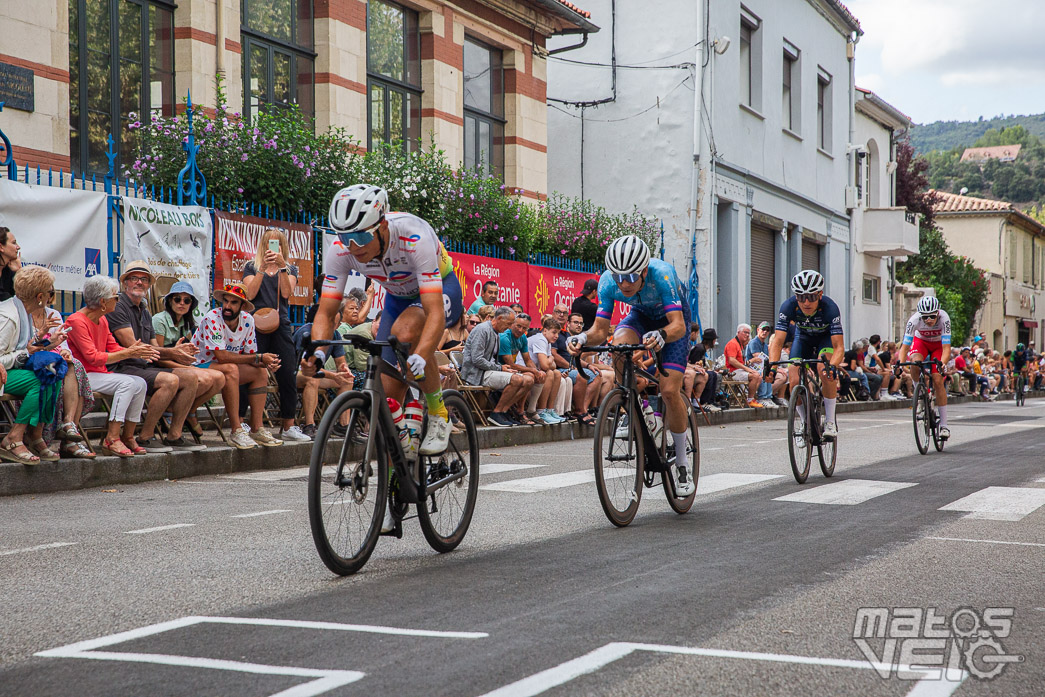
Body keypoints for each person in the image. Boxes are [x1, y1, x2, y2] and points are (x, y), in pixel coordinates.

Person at [309, 184, 463, 464]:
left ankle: (438, 412)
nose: (353, 246)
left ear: (381, 226)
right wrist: (318, 351)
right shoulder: (340, 251)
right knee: (388, 413)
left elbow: (435, 314)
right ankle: (397, 482)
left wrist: (420, 354)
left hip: (439, 291)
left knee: (406, 331)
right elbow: (326, 311)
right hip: (397, 298)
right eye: (345, 236)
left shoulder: (413, 236)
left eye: (360, 236)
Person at [567, 235, 695, 496]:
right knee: (619, 345)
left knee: (670, 391)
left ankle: (682, 464)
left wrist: (662, 334)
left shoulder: (663, 275)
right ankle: (641, 409)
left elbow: (679, 325)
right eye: (618, 277)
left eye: (631, 277)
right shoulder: (607, 282)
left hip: (671, 322)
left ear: (644, 271)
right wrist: (582, 337)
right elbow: (601, 330)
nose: (623, 283)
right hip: (639, 317)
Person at [108, 262, 216, 452]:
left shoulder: (145, 310)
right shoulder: (119, 306)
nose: (139, 283)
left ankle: (174, 435)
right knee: (170, 380)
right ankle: (145, 436)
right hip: (123, 365)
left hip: (143, 365)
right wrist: (173, 352)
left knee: (190, 377)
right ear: (125, 283)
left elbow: (154, 349)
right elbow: (133, 346)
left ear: (149, 285)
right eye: (134, 278)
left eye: (144, 279)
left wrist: (180, 354)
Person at [66, 275, 156, 457]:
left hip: (99, 373)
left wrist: (135, 351)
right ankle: (112, 438)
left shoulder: (103, 319)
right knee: (128, 383)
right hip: (82, 376)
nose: (118, 300)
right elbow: (92, 357)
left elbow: (112, 347)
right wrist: (129, 352)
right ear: (103, 302)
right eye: (115, 297)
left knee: (140, 383)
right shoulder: (77, 321)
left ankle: (127, 436)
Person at [191, 281, 283, 449]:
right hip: (198, 365)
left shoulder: (248, 320)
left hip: (222, 367)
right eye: (225, 301)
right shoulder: (212, 318)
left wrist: (264, 363)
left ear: (242, 305)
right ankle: (236, 430)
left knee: (260, 372)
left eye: (233, 303)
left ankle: (257, 428)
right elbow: (222, 356)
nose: (227, 306)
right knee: (231, 369)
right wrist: (259, 357)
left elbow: (249, 356)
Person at [240, 228, 308, 442]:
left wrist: (281, 267)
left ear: (282, 247)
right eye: (268, 243)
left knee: (287, 371)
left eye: (276, 244)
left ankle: (288, 425)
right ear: (263, 245)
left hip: (280, 324)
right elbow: (249, 294)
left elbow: (287, 294)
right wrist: (262, 269)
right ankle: (242, 421)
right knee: (250, 368)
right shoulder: (251, 266)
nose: (272, 247)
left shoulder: (290, 269)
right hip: (255, 323)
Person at [0, 266, 71, 463]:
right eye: (50, 291)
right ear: (40, 295)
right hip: (4, 372)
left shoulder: (21, 310)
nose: (51, 295)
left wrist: (50, 343)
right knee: (39, 381)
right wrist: (27, 353)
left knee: (53, 375)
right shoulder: (9, 316)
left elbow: (26, 346)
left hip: (11, 370)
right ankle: (14, 437)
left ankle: (35, 436)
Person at [765, 270, 845, 440]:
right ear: (796, 296)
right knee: (793, 378)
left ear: (820, 294)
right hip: (803, 339)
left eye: (812, 297)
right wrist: (772, 365)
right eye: (801, 297)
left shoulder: (830, 308)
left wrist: (834, 366)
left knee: (824, 370)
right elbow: (778, 341)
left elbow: (839, 347)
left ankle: (830, 421)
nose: (806, 302)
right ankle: (804, 422)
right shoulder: (788, 306)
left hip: (825, 340)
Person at [152, 281, 222, 445]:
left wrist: (188, 357)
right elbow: (158, 356)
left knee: (219, 378)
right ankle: (172, 413)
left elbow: (188, 352)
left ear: (191, 304)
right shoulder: (159, 320)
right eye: (177, 299)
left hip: (178, 365)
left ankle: (185, 411)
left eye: (186, 300)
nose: (182, 303)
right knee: (203, 378)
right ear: (170, 301)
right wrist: (185, 364)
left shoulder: (187, 322)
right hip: (160, 366)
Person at [462, 307, 532, 426]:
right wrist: (500, 368)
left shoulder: (496, 333)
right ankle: (496, 413)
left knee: (529, 380)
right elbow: (477, 359)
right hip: (476, 373)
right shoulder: (482, 330)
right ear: (499, 318)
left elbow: (492, 359)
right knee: (517, 379)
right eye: (509, 323)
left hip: (488, 371)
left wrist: (503, 368)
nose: (510, 327)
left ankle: (504, 411)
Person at [293, 303, 354, 439]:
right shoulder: (307, 332)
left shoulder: (336, 334)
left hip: (317, 373)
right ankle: (309, 425)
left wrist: (344, 370)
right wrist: (333, 375)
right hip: (295, 373)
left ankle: (343, 425)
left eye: (337, 323)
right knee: (312, 378)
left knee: (347, 379)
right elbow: (308, 366)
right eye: (332, 322)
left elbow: (341, 362)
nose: (335, 327)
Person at [897, 295, 952, 439]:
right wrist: (899, 364)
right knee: (915, 363)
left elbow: (946, 348)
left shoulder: (944, 319)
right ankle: (920, 393)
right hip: (921, 342)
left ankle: (944, 425)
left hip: (938, 345)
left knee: (938, 379)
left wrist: (943, 364)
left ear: (938, 313)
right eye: (925, 317)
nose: (928, 320)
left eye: (932, 316)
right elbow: (904, 347)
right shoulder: (914, 320)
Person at [498, 312, 539, 424]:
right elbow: (511, 364)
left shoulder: (523, 338)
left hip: (512, 371)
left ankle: (520, 410)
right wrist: (533, 370)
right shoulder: (504, 337)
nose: (520, 330)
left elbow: (528, 360)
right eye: (518, 326)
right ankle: (509, 410)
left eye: (524, 328)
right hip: (500, 368)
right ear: (512, 324)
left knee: (532, 376)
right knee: (529, 376)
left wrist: (537, 372)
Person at [527, 316, 569, 423]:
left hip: (536, 370)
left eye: (558, 333)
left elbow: (553, 365)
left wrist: (550, 359)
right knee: (549, 373)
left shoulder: (548, 341)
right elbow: (546, 366)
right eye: (554, 332)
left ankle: (549, 410)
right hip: (525, 370)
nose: (556, 336)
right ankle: (541, 411)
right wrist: (551, 358)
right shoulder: (540, 339)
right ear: (545, 330)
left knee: (557, 373)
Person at [747, 321, 787, 406]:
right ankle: (762, 397)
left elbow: (768, 359)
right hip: (752, 368)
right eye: (763, 329)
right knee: (765, 373)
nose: (765, 332)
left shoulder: (765, 345)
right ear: (758, 330)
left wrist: (777, 369)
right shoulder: (754, 342)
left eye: (767, 330)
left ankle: (769, 396)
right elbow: (758, 358)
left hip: (762, 367)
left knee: (774, 373)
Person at [724, 323, 763, 408]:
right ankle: (750, 400)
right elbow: (732, 360)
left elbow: (741, 361)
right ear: (738, 332)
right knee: (755, 375)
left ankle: (749, 398)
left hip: (739, 370)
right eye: (745, 332)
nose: (747, 335)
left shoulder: (741, 344)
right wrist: (747, 369)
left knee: (759, 377)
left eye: (749, 333)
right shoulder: (733, 344)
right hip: (732, 372)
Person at [0, 227, 22, 302]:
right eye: (13, 243)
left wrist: (19, 272)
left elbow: (24, 297)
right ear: (1, 247)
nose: (18, 247)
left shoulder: (8, 272)